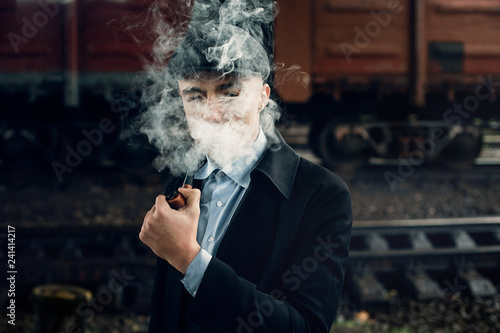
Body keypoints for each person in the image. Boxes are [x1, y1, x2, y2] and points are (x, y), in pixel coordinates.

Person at [139, 22, 353, 333]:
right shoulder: (182, 180)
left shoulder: (322, 194)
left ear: (262, 96)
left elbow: (305, 327)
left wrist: (189, 258)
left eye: (230, 93)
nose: (212, 114)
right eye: (196, 97)